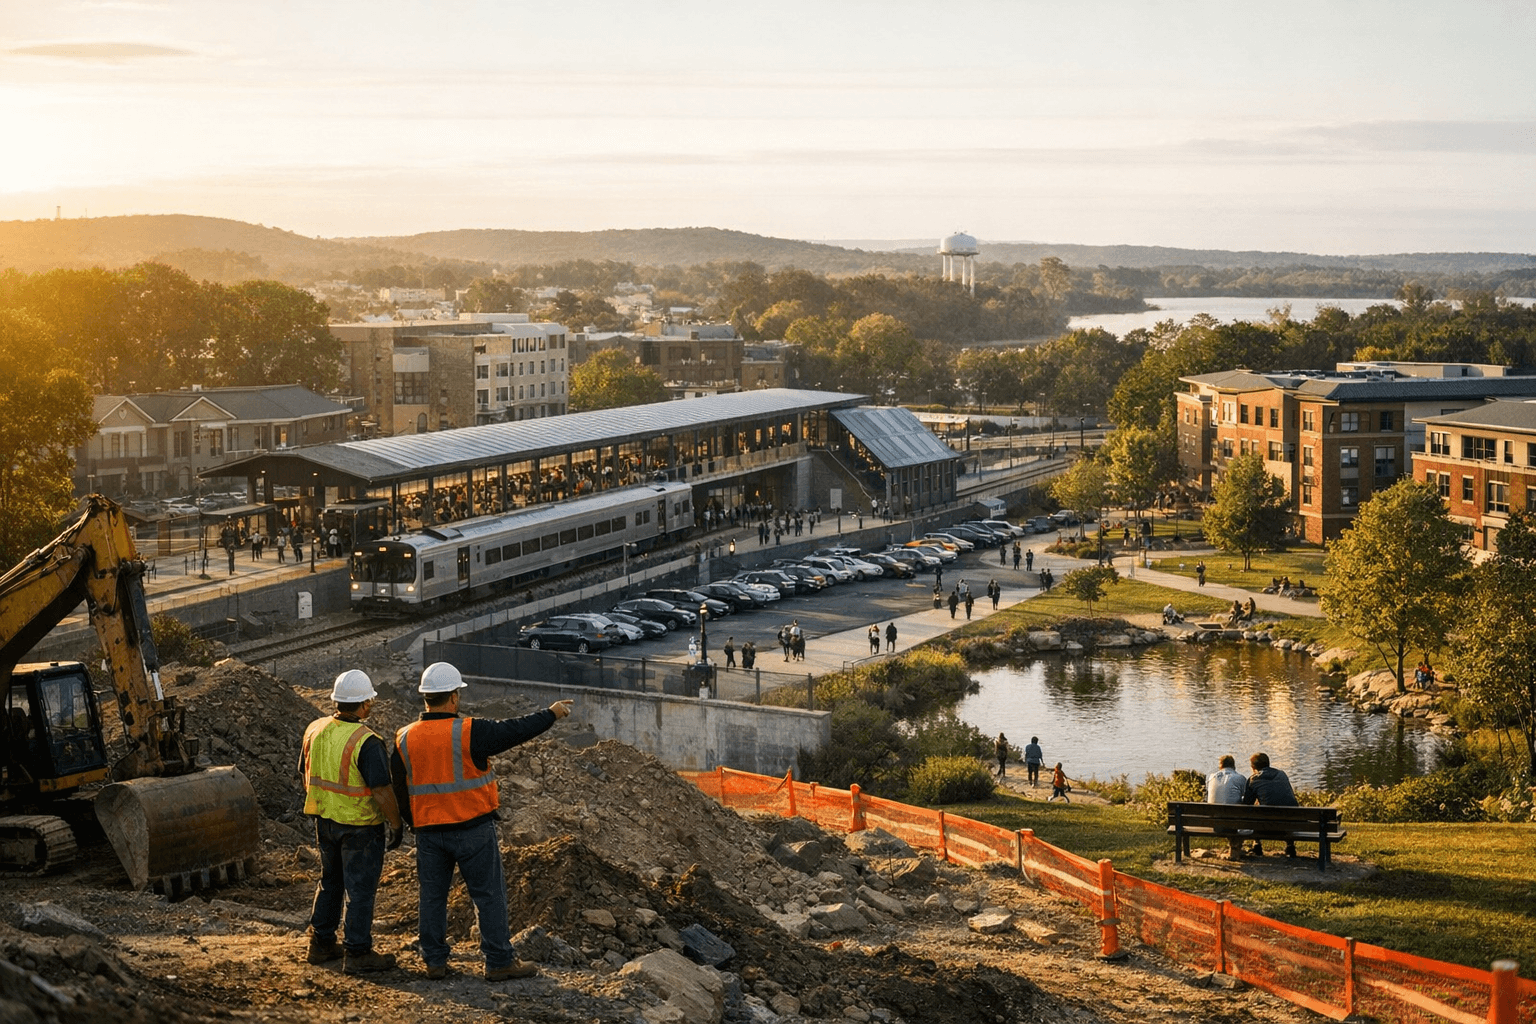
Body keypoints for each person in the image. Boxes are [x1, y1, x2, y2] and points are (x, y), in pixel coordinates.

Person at [393, 663, 573, 981]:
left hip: (429, 834)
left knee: (432, 898)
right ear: (452, 697)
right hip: (472, 829)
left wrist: (413, 823)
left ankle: (434, 961)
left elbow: (398, 787)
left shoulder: (404, 738)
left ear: (425, 698)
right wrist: (552, 714)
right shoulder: (469, 731)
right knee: (488, 895)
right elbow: (515, 730)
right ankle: (499, 961)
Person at [300, 670, 403, 974]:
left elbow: (304, 772)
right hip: (360, 826)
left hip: (325, 821)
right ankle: (357, 952)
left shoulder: (315, 729)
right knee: (360, 890)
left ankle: (320, 943)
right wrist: (395, 824)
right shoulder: (367, 741)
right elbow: (382, 791)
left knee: (330, 880)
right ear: (365, 705)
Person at [1241, 751, 1298, 858]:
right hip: (1290, 823)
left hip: (1267, 825)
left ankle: (1257, 844)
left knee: (1255, 810)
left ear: (1253, 767)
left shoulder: (1253, 779)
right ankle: (1290, 845)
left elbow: (1247, 805)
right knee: (1284, 806)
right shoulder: (1282, 774)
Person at [1206, 754, 1248, 859]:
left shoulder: (1211, 777)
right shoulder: (1240, 778)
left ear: (1220, 766)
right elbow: (1248, 800)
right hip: (1233, 824)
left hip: (1215, 823)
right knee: (1239, 810)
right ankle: (1235, 848)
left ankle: (1234, 848)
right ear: (1234, 766)